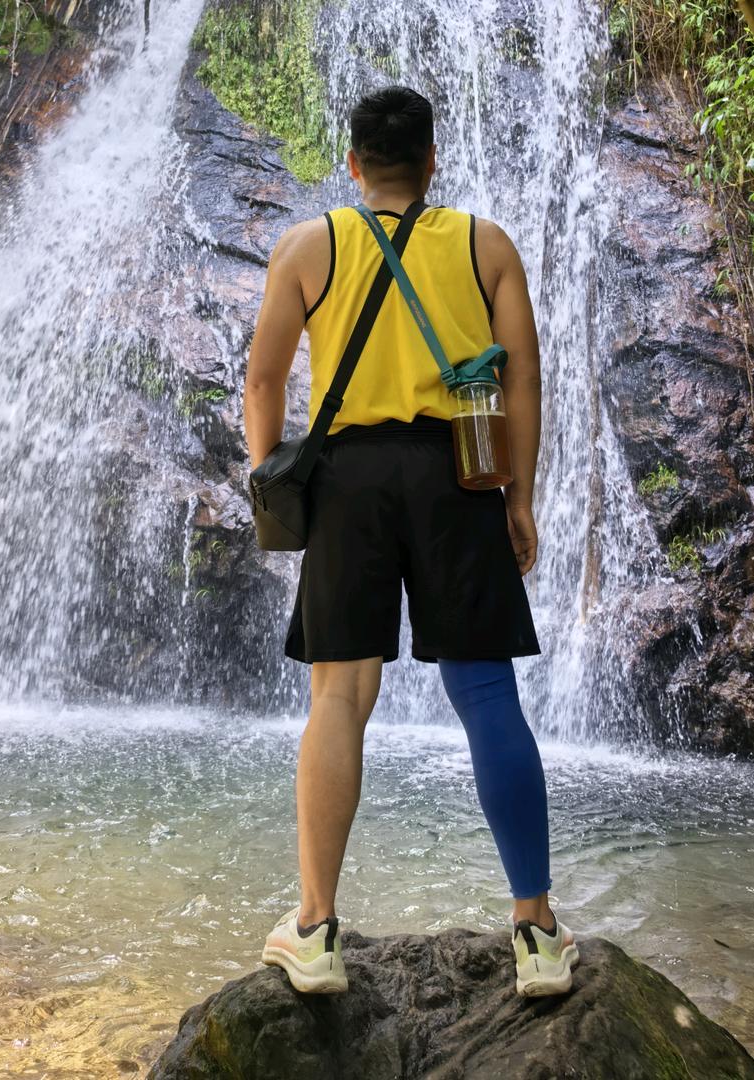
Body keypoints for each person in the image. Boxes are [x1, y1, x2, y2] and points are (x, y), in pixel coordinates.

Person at [242, 85, 579, 998]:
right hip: (458, 474)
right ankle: (537, 932)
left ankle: (314, 931)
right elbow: (523, 382)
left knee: (339, 696)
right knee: (486, 690)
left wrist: (271, 481)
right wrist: (519, 497)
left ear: (353, 163)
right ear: (433, 160)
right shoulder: (485, 244)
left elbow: (264, 381)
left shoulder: (309, 246)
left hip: (346, 481)